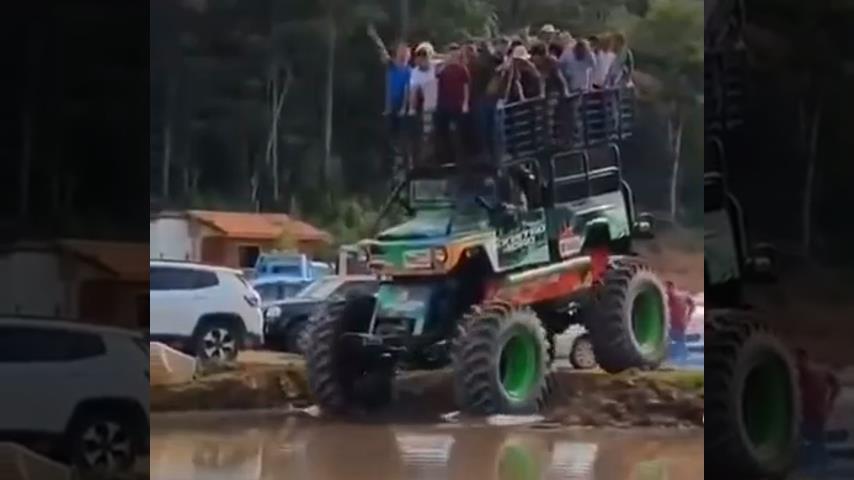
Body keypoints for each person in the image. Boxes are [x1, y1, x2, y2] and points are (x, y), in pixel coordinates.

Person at [797, 348, 842, 473]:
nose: (797, 364)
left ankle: (823, 466)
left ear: (805, 359)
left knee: (815, 443)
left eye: (799, 360)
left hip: (817, 414)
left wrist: (830, 403)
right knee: (812, 442)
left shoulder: (817, 372)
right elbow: (836, 385)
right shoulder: (803, 373)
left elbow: (836, 385)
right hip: (811, 415)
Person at [435, 43, 471, 164]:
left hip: (458, 104)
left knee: (459, 132)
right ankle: (445, 157)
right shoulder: (443, 68)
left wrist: (465, 103)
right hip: (443, 104)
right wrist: (445, 63)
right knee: (442, 132)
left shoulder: (462, 69)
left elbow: (466, 87)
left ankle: (460, 157)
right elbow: (437, 75)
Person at [666, 281, 695, 363]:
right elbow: (692, 304)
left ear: (672, 287)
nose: (666, 291)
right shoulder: (680, 295)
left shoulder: (677, 296)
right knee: (677, 342)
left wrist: (689, 316)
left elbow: (692, 305)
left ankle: (683, 359)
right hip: (675, 324)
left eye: (667, 288)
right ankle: (683, 357)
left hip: (678, 324)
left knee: (679, 342)